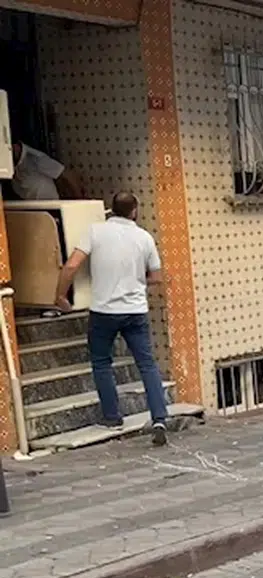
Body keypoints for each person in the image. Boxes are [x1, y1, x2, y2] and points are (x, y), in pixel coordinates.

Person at [54, 192, 168, 445]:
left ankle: (112, 416)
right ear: (134, 211)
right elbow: (157, 277)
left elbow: (71, 265)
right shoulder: (144, 237)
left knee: (101, 362)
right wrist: (135, 280)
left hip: (103, 311)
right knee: (147, 364)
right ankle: (159, 418)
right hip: (136, 311)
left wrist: (60, 295)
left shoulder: (95, 231)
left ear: (112, 209)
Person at [8, 138, 86, 201]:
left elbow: (66, 174)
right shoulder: (12, 169)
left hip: (51, 205)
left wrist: (80, 201)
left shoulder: (36, 158)